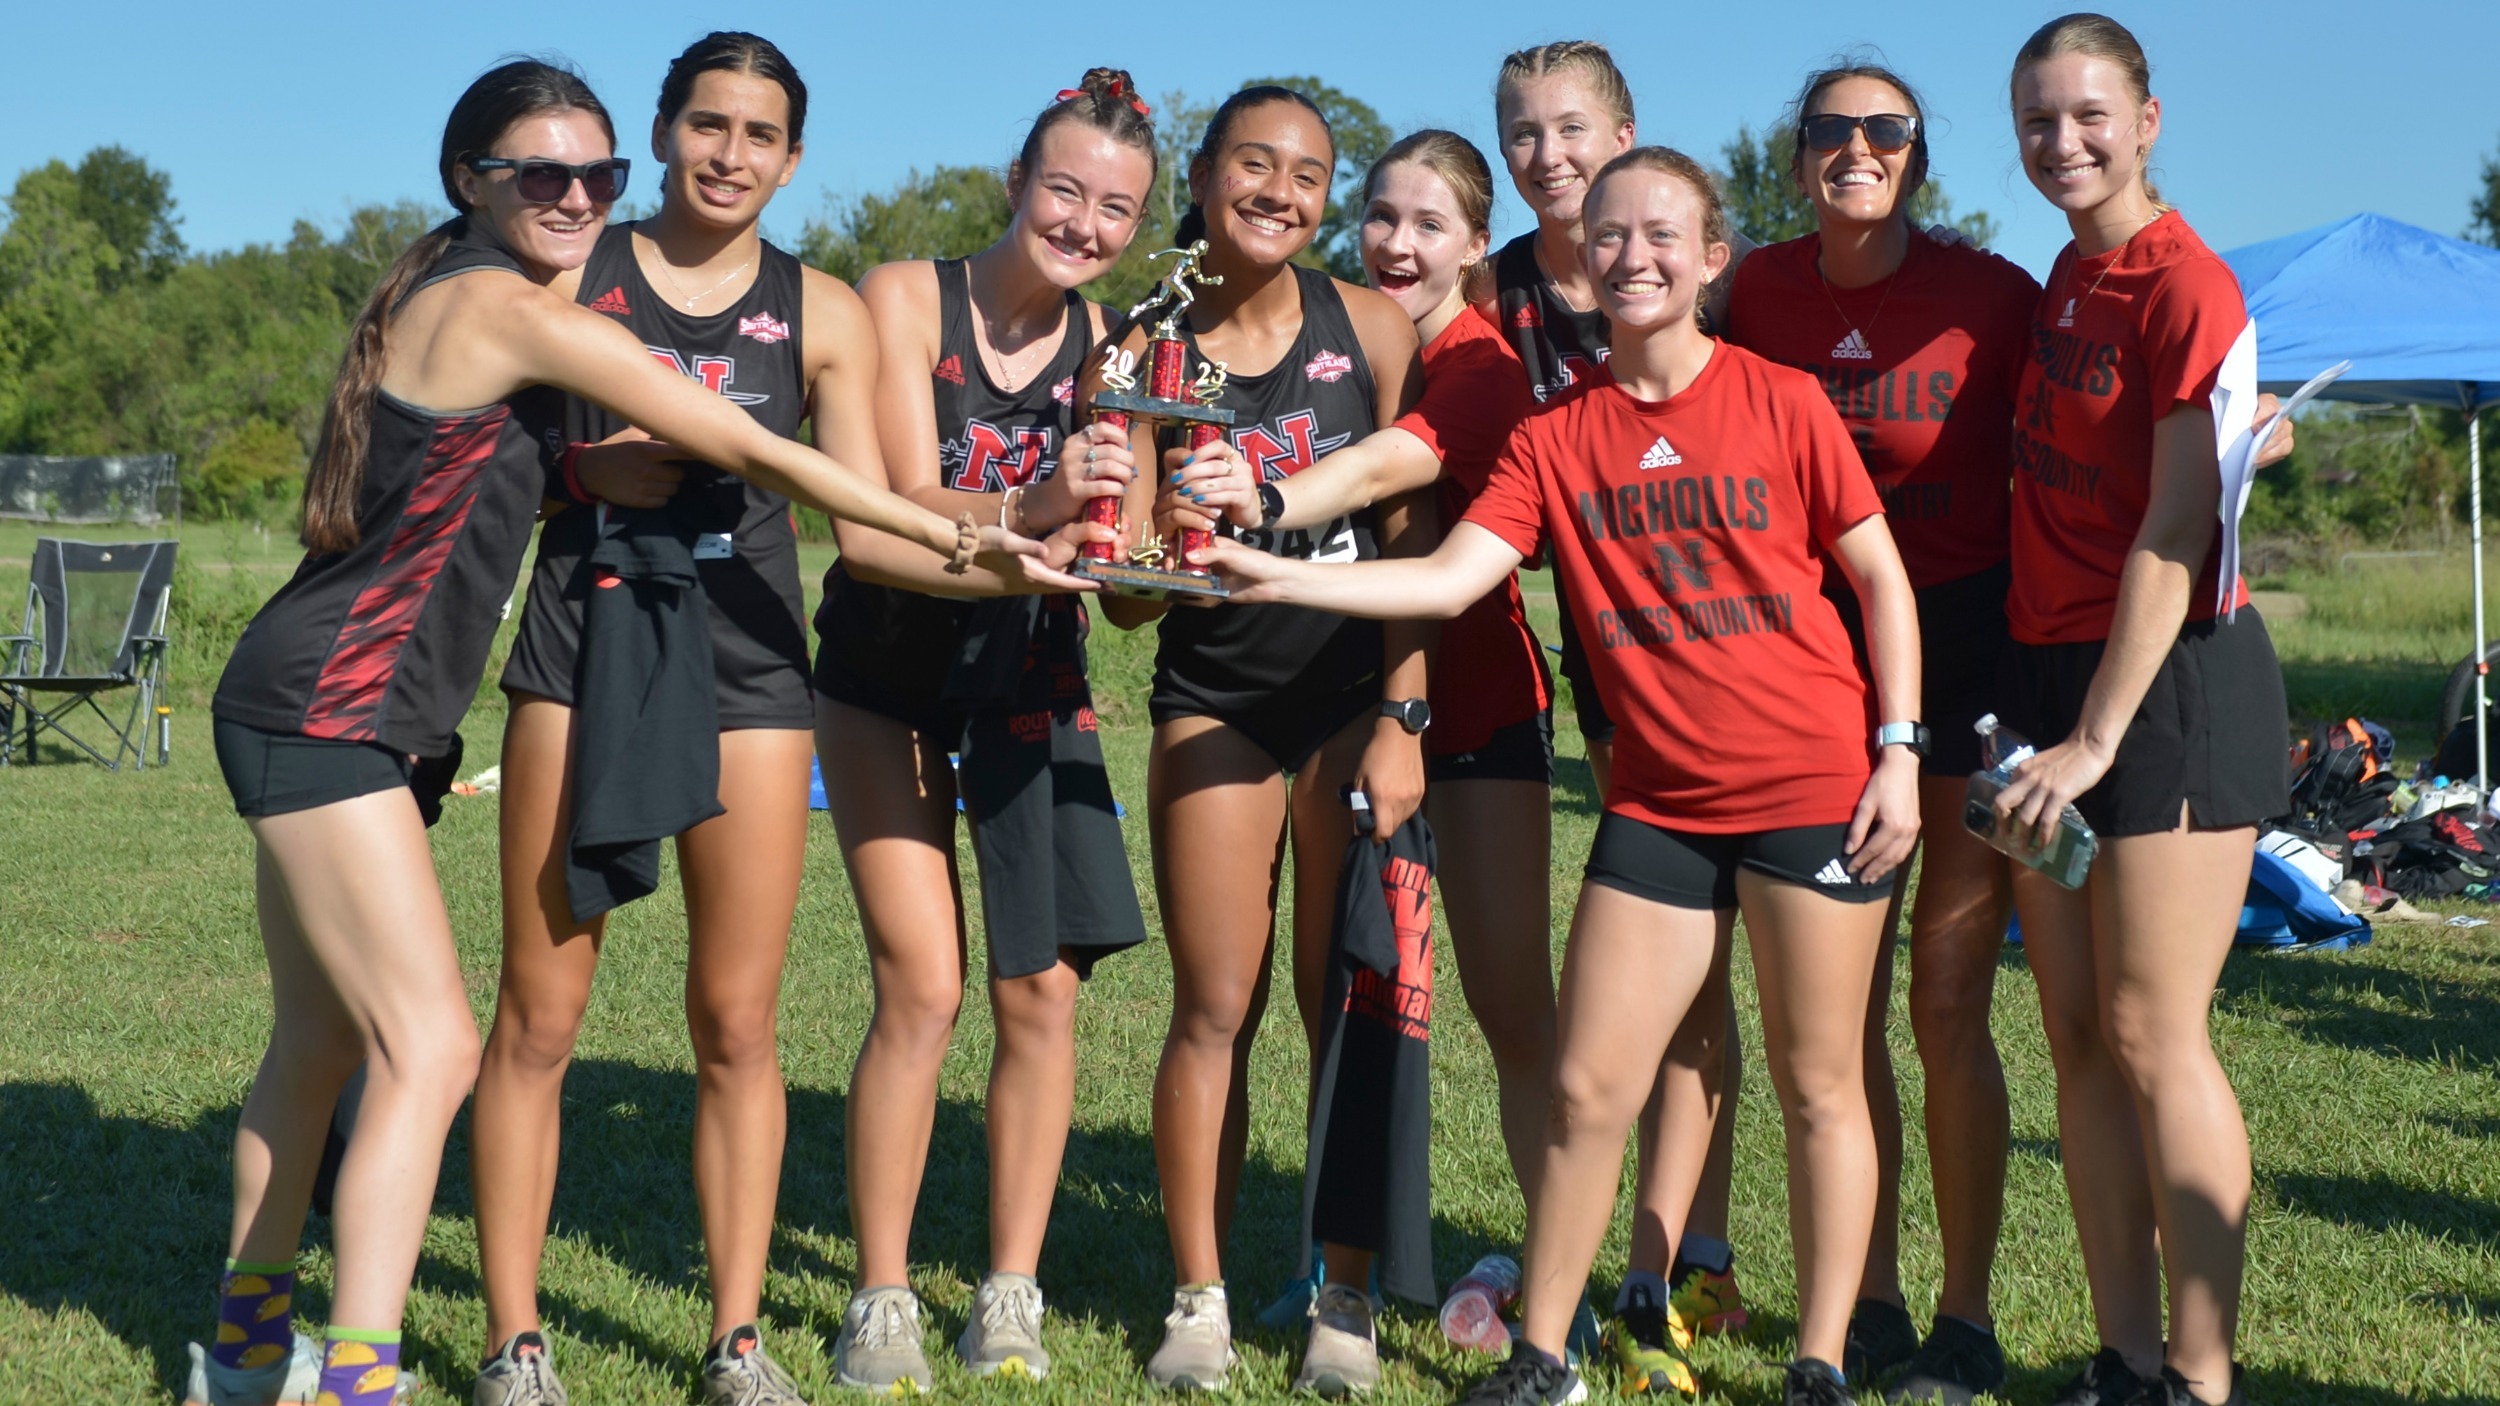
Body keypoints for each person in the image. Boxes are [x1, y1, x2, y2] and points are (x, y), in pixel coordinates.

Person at [189, 57, 1067, 1406]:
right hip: (331, 710)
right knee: (434, 1045)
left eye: (591, 177)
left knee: (317, 1046)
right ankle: (365, 1374)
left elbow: (518, 472)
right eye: (544, 176)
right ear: (470, 182)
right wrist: (994, 527)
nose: (578, 197)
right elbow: (772, 453)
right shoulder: (526, 305)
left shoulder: (478, 296)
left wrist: (1005, 528)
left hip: (335, 712)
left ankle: (245, 1360)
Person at [1203, 145, 1924, 1406]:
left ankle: (1818, 1363)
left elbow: (1879, 579)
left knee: (1821, 1081)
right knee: (1588, 1083)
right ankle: (1546, 1351)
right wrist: (1278, 565)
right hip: (1656, 802)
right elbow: (1442, 579)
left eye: (1662, 236)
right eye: (1608, 237)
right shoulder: (1556, 435)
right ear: (1580, 260)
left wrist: (1899, 752)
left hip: (1810, 783)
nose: (1632, 256)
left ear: (1712, 260)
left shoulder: (1783, 399)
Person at [1158, 125, 1605, 1377]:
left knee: (1509, 1010)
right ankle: (1310, 1269)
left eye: (1429, 225)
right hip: (1339, 713)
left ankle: (1554, 1295)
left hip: (1464, 715)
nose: (1398, 245)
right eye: (1383, 218)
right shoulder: (1350, 336)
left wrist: (1264, 502)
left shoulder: (1464, 359)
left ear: (1477, 245)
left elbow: (1385, 474)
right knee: (1313, 997)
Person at [470, 34, 855, 1406]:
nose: (730, 153)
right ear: (663, 130)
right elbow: (483, 459)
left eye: (759, 134)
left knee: (739, 1022)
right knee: (539, 1012)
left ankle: (736, 1343)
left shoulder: (830, 312)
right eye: (706, 123)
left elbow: (877, 512)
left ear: (793, 158)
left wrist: (1027, 526)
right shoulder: (573, 267)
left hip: (752, 671)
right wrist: (591, 464)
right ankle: (516, 1340)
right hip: (582, 649)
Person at [805, 68, 1156, 1393]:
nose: (1083, 222)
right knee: (922, 987)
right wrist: (1042, 500)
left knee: (1039, 993)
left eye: (1115, 207)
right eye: (1064, 189)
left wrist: (1177, 545)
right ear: (1016, 185)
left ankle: (1009, 1289)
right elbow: (885, 519)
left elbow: (1117, 591)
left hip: (1030, 675)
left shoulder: (1115, 351)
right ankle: (882, 1295)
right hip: (882, 674)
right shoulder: (904, 298)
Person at [1093, 83, 1427, 1396]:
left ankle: (1343, 1292)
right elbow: (1119, 592)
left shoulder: (1372, 324)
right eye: (1253, 164)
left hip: (1353, 694)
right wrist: (1164, 512)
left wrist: (1404, 713)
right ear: (1207, 174)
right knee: (1213, 1002)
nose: (1279, 191)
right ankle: (1202, 1295)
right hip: (1215, 691)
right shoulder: (1142, 340)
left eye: (1305, 173)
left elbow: (1410, 530)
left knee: (1342, 1000)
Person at [1719, 61, 2040, 1403]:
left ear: (1916, 153)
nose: (1859, 149)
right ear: (1798, 160)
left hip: (1968, 664)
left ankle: (1965, 1316)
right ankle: (1866, 1298)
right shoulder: (1751, 292)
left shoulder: (1990, 297)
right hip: (1807, 679)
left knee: (1946, 999)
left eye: (1886, 130)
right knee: (1831, 1020)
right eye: (1831, 132)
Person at [1996, 16, 2285, 1406]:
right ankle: (2123, 1357)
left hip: (2166, 684)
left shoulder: (2185, 282)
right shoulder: (2066, 272)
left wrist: (2099, 736)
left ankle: (2202, 1376)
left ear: (2151, 118)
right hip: (2055, 678)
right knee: (2078, 1031)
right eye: (2040, 121)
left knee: (2155, 1025)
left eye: (2091, 116)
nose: (2066, 142)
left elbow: (2173, 532)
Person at [1475, 40, 1751, 1368]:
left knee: (1701, 995)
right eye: (1520, 134)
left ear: (1627, 131)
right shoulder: (1493, 293)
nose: (1546, 156)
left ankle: (1685, 1257)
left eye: (1570, 129)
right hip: (1604, 671)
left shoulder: (1686, 262)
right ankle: (1607, 1270)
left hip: (1736, 677)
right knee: (1638, 981)